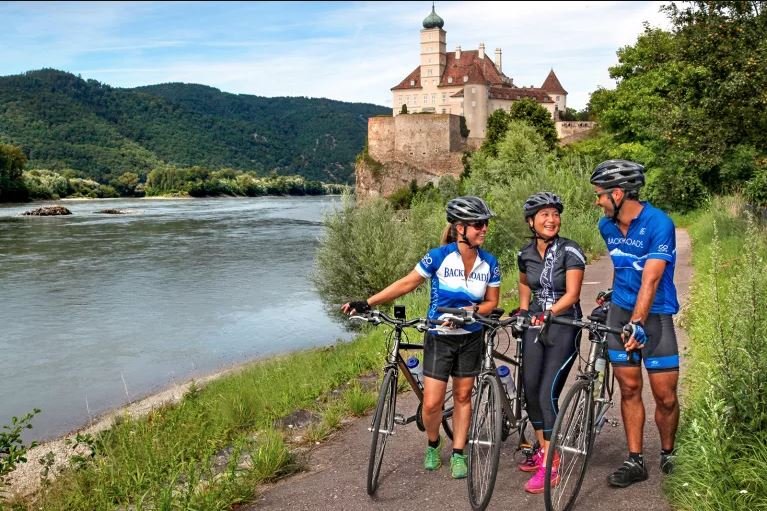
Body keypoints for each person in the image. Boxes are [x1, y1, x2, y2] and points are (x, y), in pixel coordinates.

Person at [342, 196, 501, 480]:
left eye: (485, 223)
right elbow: (407, 283)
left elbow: (491, 301)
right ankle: (433, 443)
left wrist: (473, 310)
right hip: (439, 337)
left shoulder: (489, 262)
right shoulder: (438, 256)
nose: (484, 228)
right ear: (460, 228)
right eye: (478, 224)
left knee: (464, 396)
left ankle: (458, 452)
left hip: (470, 337)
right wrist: (368, 302)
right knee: (431, 404)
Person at [590, 159, 680, 487]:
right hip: (620, 311)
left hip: (654, 317)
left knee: (665, 396)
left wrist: (638, 322)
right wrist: (615, 297)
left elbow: (651, 280)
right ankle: (635, 459)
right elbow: (625, 267)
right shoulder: (607, 226)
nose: (597, 201)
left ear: (618, 194)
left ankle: (668, 452)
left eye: (600, 195)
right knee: (629, 388)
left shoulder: (660, 224)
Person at [514, 192, 586, 494]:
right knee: (530, 391)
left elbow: (572, 294)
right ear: (531, 221)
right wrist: (523, 308)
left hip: (564, 327)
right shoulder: (525, 253)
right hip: (535, 326)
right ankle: (544, 447)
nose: (551, 220)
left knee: (547, 394)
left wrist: (548, 312)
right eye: (544, 214)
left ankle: (552, 463)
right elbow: (523, 282)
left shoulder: (571, 251)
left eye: (555, 214)